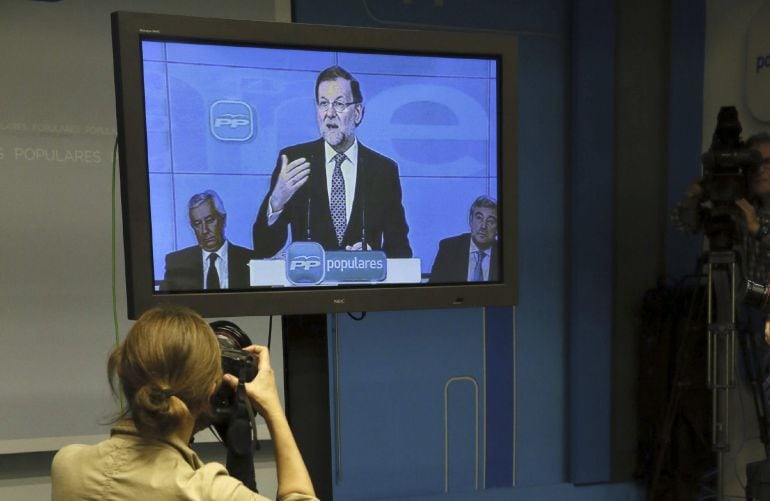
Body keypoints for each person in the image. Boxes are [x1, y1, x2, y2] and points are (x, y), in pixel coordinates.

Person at [51, 305, 317, 501]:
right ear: (210, 391)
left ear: (123, 374)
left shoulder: (68, 466)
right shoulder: (211, 492)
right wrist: (272, 407)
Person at [252, 65, 412, 259]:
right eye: (323, 103)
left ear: (358, 112)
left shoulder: (383, 170)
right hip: (309, 286)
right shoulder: (295, 162)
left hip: (362, 286)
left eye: (339, 104)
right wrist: (276, 201)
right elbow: (263, 248)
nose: (329, 113)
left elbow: (401, 250)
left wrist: (375, 257)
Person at [162, 190, 254, 291]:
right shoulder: (176, 262)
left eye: (210, 220)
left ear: (223, 219)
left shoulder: (251, 259)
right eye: (197, 224)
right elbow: (168, 304)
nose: (204, 230)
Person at [430, 195, 499, 283]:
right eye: (479, 218)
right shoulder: (448, 248)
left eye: (490, 221)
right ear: (470, 220)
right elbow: (435, 290)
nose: (483, 226)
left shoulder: (505, 254)